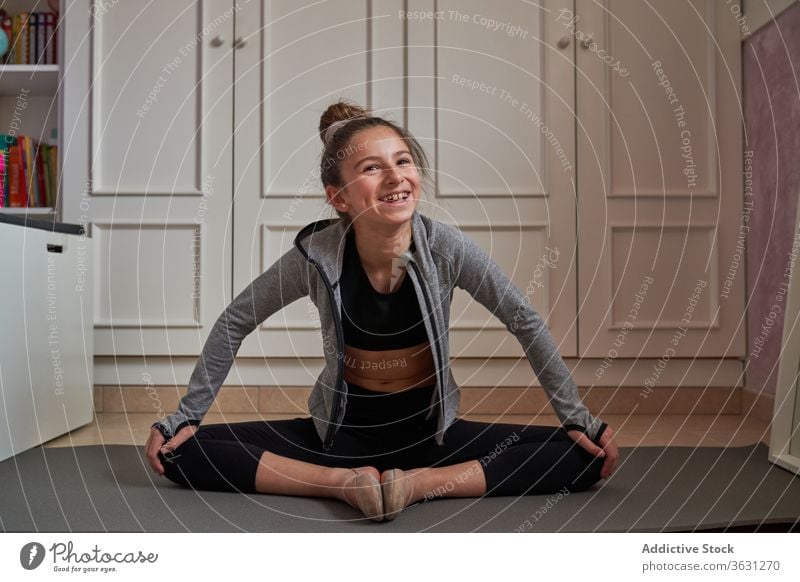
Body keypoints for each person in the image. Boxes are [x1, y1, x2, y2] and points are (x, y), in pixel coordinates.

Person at [145, 99, 619, 523]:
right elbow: (235, 320)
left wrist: (577, 417)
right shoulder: (316, 256)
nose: (395, 177)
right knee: (177, 451)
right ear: (339, 197)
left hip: (433, 442)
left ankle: (418, 485)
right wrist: (187, 415)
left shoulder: (446, 248)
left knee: (587, 454)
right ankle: (341, 485)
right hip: (338, 442)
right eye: (372, 168)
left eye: (403, 161)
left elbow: (523, 319)